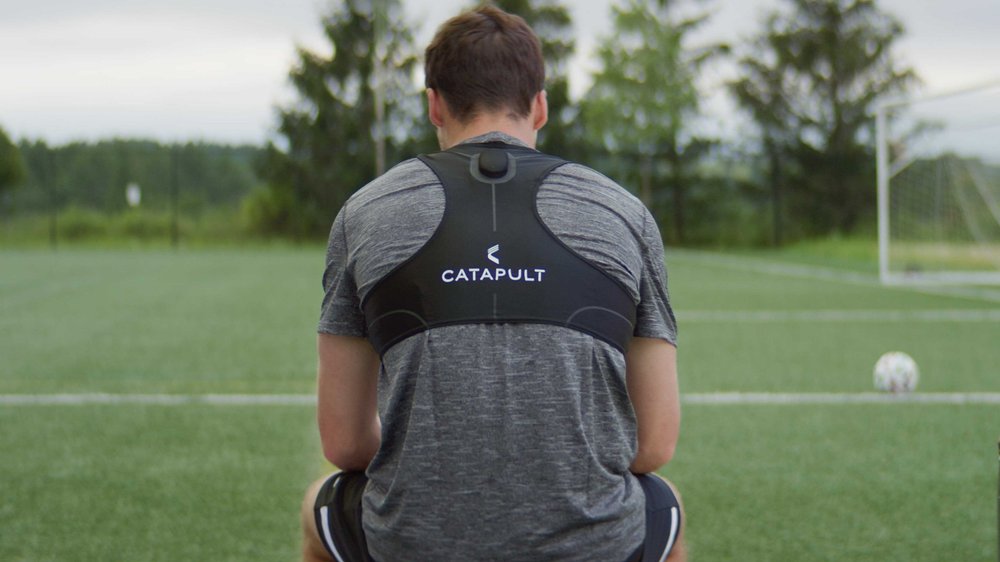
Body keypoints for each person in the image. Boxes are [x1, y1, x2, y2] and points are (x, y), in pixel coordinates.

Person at [301, 5, 684, 561]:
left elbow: (344, 443)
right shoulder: (625, 212)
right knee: (664, 502)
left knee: (320, 501)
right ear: (540, 106)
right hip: (593, 547)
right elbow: (655, 444)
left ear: (434, 104)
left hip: (412, 546)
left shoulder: (365, 211)